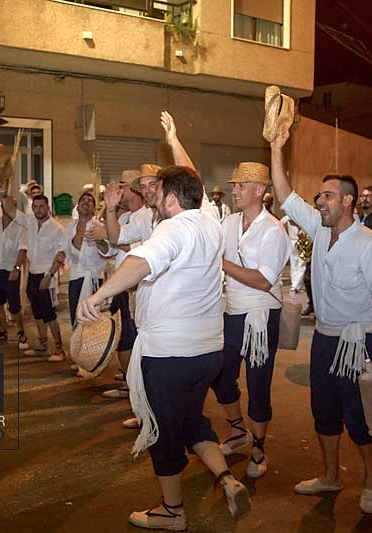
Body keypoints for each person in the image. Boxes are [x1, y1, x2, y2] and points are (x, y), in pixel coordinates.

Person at [77, 165, 251, 531]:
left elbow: (141, 261)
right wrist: (173, 141)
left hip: (171, 354)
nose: (154, 199)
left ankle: (172, 511)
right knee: (191, 420)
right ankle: (226, 479)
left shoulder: (173, 227)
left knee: (161, 431)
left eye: (158, 193)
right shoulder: (210, 223)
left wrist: (99, 295)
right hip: (208, 351)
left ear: (172, 199)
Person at [271, 127, 372, 514]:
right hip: (325, 340)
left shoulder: (370, 246)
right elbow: (284, 195)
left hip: (361, 342)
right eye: (319, 196)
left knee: (361, 416)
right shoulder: (319, 228)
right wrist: (276, 146)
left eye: (327, 195)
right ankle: (330, 476)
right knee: (324, 411)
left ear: (347, 200)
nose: (319, 201)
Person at [213, 161, 291, 479]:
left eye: (241, 185)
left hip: (261, 316)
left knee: (258, 383)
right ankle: (237, 429)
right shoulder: (229, 222)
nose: (235, 191)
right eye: (235, 185)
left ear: (259, 190)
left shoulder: (273, 230)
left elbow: (263, 280)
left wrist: (222, 263)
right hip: (232, 312)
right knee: (220, 376)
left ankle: (258, 446)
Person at [89, 169, 146, 403]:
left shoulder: (146, 216)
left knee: (133, 338)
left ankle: (135, 389)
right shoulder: (124, 218)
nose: (119, 191)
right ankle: (129, 381)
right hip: (121, 284)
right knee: (123, 338)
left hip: (136, 287)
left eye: (123, 187)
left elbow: (141, 250)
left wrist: (108, 234)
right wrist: (100, 239)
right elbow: (111, 250)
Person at [23, 194, 67, 361]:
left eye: (41, 206)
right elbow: (11, 212)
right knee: (37, 313)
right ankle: (42, 346)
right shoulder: (30, 222)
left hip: (46, 274)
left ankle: (59, 349)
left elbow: (61, 254)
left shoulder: (57, 228)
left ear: (48, 207)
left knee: (49, 314)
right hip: (32, 273)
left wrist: (49, 276)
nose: (38, 210)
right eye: (35, 207)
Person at [0, 195, 28, 346]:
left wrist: (16, 268)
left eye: (10, 204)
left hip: (11, 270)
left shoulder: (20, 228)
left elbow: (22, 250)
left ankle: (22, 334)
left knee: (14, 306)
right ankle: (2, 333)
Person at [64, 192, 105, 327]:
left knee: (91, 320)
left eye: (90, 201)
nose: (86, 202)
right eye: (83, 199)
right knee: (75, 317)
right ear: (77, 205)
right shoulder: (71, 226)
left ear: (94, 208)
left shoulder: (99, 227)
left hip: (93, 278)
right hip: (75, 277)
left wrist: (100, 241)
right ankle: (77, 341)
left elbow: (107, 251)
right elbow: (64, 249)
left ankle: (91, 342)